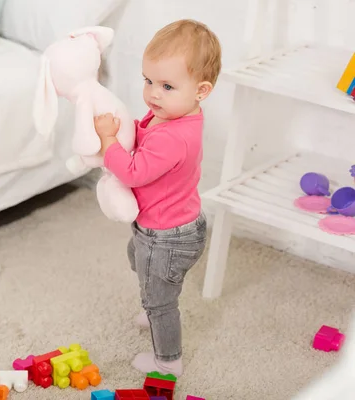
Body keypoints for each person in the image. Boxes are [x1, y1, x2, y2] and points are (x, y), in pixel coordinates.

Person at [93, 19, 222, 377]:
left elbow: (133, 171)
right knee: (138, 260)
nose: (153, 93)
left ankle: (168, 359)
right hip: (170, 226)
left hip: (167, 235)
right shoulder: (172, 115)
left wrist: (108, 143)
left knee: (160, 297)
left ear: (201, 90)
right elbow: (145, 133)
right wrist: (126, 127)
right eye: (148, 81)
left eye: (166, 85)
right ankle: (156, 299)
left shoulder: (174, 137)